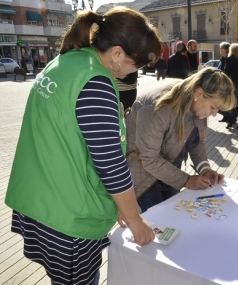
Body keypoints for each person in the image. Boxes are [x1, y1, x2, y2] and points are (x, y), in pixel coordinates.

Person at [4, 7, 163, 285]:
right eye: (136, 65)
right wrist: (134, 217)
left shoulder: (67, 61)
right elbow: (110, 162)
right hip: (68, 217)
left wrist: (123, 209)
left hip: (39, 200)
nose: (134, 72)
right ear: (117, 53)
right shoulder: (96, 82)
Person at [125, 67, 236, 213]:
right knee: (158, 224)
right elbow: (148, 158)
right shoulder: (157, 107)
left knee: (174, 217)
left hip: (170, 175)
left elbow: (197, 143)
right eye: (213, 108)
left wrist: (205, 170)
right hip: (144, 179)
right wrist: (187, 180)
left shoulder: (197, 103)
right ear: (199, 93)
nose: (214, 114)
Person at [224, 43, 238, 129]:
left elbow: (226, 73)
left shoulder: (229, 59)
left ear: (232, 50)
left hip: (231, 85)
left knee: (230, 103)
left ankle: (229, 122)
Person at [217, 41, 231, 123]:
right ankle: (225, 116)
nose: (219, 49)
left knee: (225, 101)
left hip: (226, 83)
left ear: (225, 50)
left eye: (221, 48)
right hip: (221, 83)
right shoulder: (222, 59)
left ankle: (230, 118)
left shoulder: (228, 60)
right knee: (221, 102)